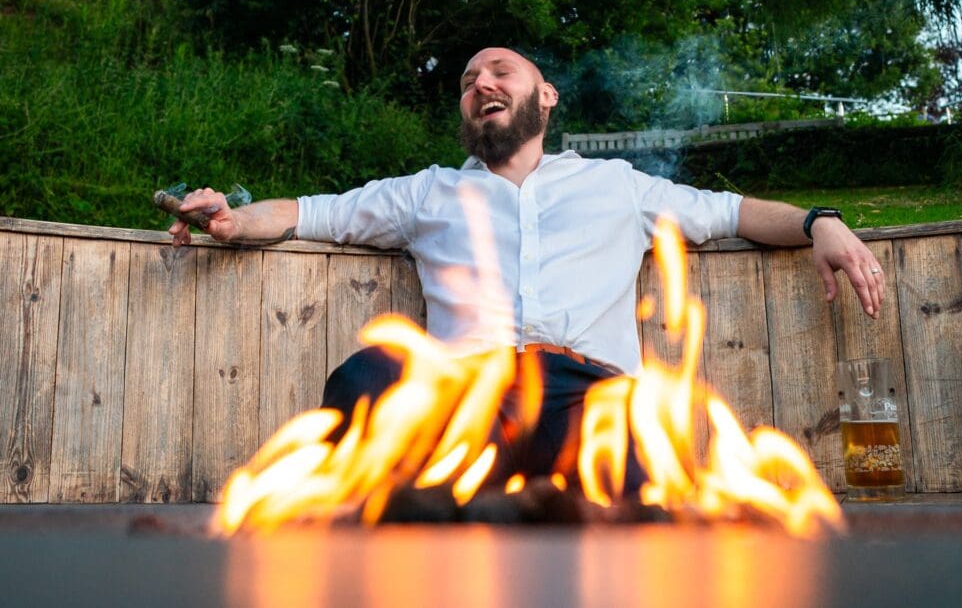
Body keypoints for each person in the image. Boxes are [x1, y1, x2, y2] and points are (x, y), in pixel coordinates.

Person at [169, 47, 884, 487]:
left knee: (642, 477)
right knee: (364, 378)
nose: (481, 81)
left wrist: (819, 222)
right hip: (463, 397)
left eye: (500, 70)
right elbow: (307, 212)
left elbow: (732, 212)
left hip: (588, 397)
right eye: (468, 79)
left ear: (545, 96)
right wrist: (233, 219)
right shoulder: (427, 193)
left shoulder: (619, 186)